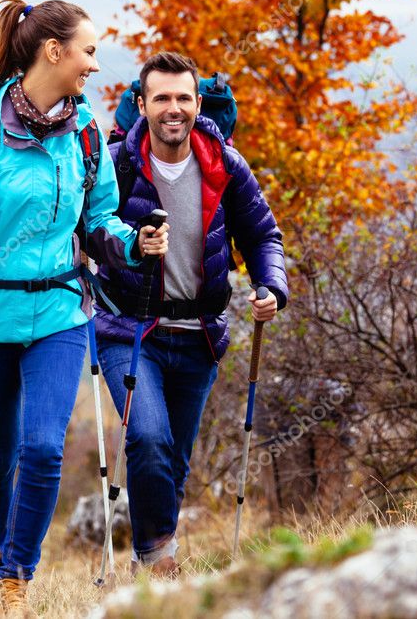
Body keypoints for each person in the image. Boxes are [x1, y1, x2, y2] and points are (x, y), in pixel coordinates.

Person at [0, 0, 166, 616]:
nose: (96, 66)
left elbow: (99, 218)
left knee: (44, 447)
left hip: (59, 313)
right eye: (89, 51)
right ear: (54, 51)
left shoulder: (86, 134)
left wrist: (134, 243)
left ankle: (17, 579)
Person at [92, 51, 289, 576]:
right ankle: (160, 561)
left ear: (198, 103)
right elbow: (88, 234)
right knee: (148, 437)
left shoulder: (225, 163)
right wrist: (129, 245)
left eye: (183, 97)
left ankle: (147, 561)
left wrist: (273, 286)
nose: (172, 108)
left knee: (174, 460)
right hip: (129, 328)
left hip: (200, 333)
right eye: (161, 98)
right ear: (142, 105)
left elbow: (263, 234)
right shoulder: (118, 164)